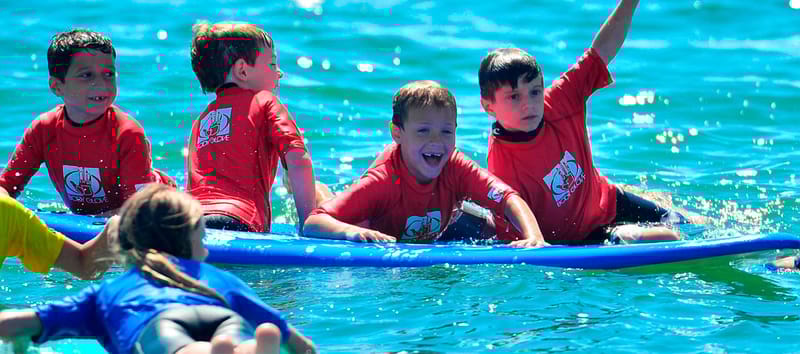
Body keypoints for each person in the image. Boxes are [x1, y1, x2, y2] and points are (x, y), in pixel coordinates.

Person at [0, 184, 317, 354]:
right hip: (225, 318)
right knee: (234, 339)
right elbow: (302, 346)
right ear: (191, 242)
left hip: (158, 326)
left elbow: (18, 323)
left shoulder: (109, 293)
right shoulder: (220, 280)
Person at [478, 0, 691, 245]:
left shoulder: (559, 100)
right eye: (514, 97)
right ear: (488, 106)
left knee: (681, 223)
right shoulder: (502, 165)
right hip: (582, 239)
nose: (529, 104)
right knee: (648, 238)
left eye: (535, 92)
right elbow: (514, 229)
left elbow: (601, 51)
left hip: (611, 201)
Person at [304, 81, 547, 248]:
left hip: (443, 221)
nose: (436, 142)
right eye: (423, 131)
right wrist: (351, 233)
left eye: (446, 132)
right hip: (377, 222)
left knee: (495, 229)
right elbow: (313, 222)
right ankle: (317, 188)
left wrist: (534, 237)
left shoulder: (455, 165)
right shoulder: (382, 181)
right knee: (332, 210)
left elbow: (508, 198)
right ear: (397, 133)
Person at [0, 29, 175, 217]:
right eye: (87, 75)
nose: (102, 84)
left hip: (162, 210)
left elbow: (140, 211)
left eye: (109, 74)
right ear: (57, 86)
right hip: (98, 219)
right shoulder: (43, 129)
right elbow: (6, 187)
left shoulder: (127, 133)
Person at [187, 22, 332, 234]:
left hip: (193, 222)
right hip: (240, 221)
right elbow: (297, 158)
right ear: (243, 70)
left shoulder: (201, 121)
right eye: (272, 65)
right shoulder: (265, 102)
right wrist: (308, 221)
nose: (279, 74)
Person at [0, 195, 112, 280]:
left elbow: (83, 265)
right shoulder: (6, 209)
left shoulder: (7, 210)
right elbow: (85, 267)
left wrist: (112, 228)